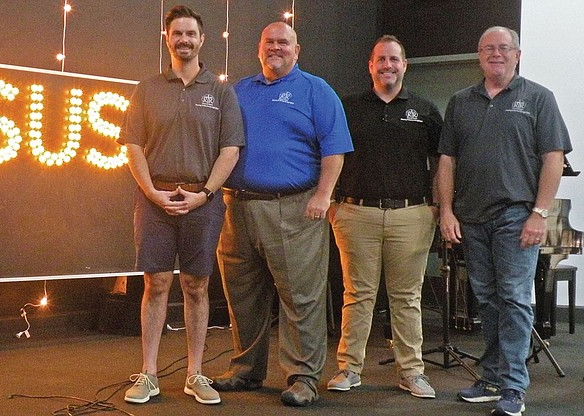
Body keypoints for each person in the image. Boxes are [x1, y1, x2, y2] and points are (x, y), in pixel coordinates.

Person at [211, 21, 353, 407]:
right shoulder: (239, 91)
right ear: (259, 49)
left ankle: (303, 377)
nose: (276, 48)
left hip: (293, 207)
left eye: (283, 43)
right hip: (237, 206)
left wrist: (323, 196)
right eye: (269, 42)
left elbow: (334, 148)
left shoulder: (315, 90)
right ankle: (245, 369)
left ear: (297, 49)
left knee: (301, 297)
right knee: (242, 293)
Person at [437, 26, 571, 416]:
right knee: (490, 301)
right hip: (471, 218)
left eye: (503, 48)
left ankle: (513, 386)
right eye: (487, 49)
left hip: (517, 216)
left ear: (517, 54)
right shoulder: (461, 102)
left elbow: (553, 157)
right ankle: (493, 378)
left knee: (513, 298)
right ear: (479, 56)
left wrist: (539, 213)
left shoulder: (538, 97)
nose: (495, 54)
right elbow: (447, 160)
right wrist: (446, 211)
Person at [117, 4, 245, 406]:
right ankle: (150, 374)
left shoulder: (221, 91)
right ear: (167, 39)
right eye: (178, 34)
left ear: (202, 40)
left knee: (196, 285)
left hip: (202, 201)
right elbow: (133, 146)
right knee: (156, 284)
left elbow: (230, 150)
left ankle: (195, 374)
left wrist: (204, 193)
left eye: (191, 34)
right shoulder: (147, 88)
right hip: (154, 200)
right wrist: (152, 193)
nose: (184, 40)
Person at [326, 35, 442, 399]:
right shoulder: (348, 108)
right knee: (357, 294)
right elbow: (331, 155)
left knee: (407, 297)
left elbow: (440, 164)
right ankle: (348, 369)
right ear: (370, 66)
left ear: (405, 65)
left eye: (394, 59)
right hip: (355, 212)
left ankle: (411, 371)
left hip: (412, 213)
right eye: (381, 59)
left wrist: (437, 207)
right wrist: (332, 204)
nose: (387, 65)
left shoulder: (425, 111)